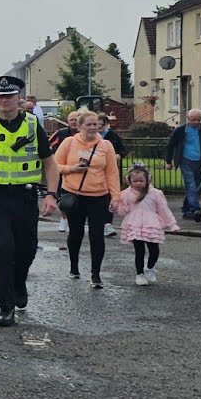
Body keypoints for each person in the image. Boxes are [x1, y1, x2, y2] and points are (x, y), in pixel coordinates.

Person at [0, 76, 59, 327]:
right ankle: (6, 307)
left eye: (9, 96)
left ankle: (19, 283)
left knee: (27, 249)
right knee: (3, 250)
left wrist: (52, 194)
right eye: (0, 96)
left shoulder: (32, 125)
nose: (4, 100)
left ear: (19, 98)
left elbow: (50, 163)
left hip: (25, 198)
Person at [54, 109, 120, 288]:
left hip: (98, 196)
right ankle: (74, 267)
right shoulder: (69, 143)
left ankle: (96, 274)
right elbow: (55, 166)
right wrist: (72, 169)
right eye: (88, 124)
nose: (93, 128)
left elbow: (112, 173)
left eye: (95, 124)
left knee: (97, 235)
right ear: (79, 126)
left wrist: (115, 196)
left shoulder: (106, 145)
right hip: (74, 195)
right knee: (76, 233)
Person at [117, 165, 180, 286]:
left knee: (154, 250)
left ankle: (150, 268)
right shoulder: (125, 194)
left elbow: (164, 210)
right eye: (135, 181)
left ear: (148, 180)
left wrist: (173, 225)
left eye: (141, 180)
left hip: (151, 225)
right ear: (129, 181)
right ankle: (139, 274)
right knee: (139, 251)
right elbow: (123, 211)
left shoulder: (155, 193)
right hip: (134, 224)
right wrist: (115, 206)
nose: (138, 183)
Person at [164, 109, 201, 224]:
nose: (196, 122)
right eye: (193, 120)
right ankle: (196, 209)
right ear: (188, 118)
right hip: (185, 161)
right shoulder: (180, 130)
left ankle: (186, 210)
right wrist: (168, 161)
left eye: (198, 120)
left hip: (200, 161)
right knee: (191, 186)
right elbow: (170, 145)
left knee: (194, 187)